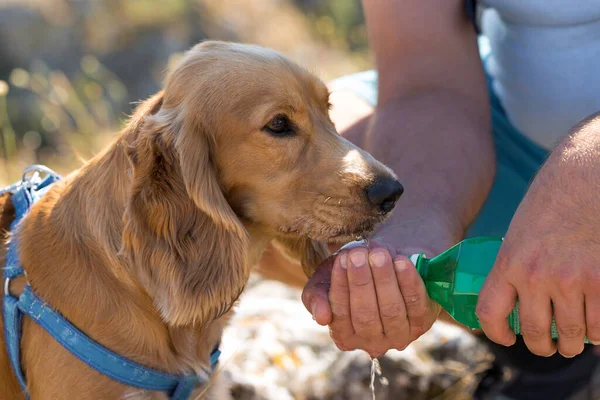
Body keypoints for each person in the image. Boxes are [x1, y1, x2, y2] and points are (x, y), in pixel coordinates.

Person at [257, 0, 600, 399]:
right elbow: (428, 83)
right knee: (267, 172)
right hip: (504, 119)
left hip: (581, 168)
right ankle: (548, 354)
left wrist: (583, 187)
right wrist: (410, 237)